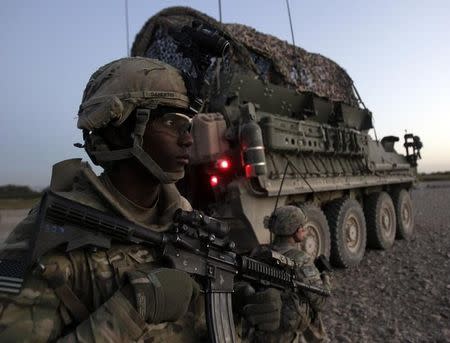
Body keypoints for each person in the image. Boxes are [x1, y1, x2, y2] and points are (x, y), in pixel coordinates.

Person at [0, 57, 282, 342]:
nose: (188, 140)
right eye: (172, 123)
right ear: (119, 129)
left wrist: (241, 304)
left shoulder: (181, 216)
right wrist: (132, 307)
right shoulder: (41, 237)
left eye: (189, 126)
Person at [265, 205, 332, 343]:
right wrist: (326, 277)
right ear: (294, 230)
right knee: (312, 308)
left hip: (264, 328)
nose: (304, 229)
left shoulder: (261, 252)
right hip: (286, 330)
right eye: (301, 226)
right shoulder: (300, 259)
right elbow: (321, 302)